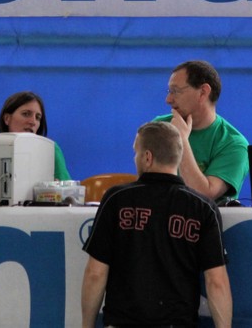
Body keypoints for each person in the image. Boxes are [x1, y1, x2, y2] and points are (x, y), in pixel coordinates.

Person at [81, 121, 232, 328]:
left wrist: (86, 326)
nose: (135, 159)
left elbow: (95, 273)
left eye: (136, 153)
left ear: (147, 157)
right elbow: (216, 282)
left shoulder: (117, 199)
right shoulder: (204, 208)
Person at [154, 60, 249, 204]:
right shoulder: (159, 128)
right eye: (169, 91)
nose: (168, 99)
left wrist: (181, 139)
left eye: (176, 91)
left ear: (203, 92)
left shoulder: (234, 144)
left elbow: (202, 196)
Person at [0, 90, 71, 181]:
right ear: (7, 119)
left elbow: (67, 188)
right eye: (26, 114)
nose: (33, 122)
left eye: (38, 117)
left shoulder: (50, 150)